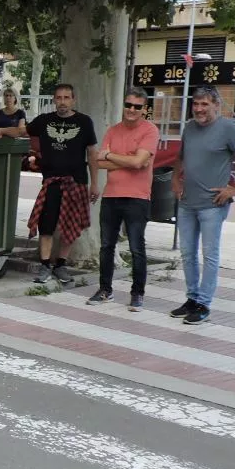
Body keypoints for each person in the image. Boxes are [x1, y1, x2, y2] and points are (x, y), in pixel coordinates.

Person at [170, 87, 235, 324]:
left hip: (213, 203)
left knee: (209, 254)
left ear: (216, 105)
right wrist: (175, 178)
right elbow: (181, 155)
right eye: (196, 104)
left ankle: (204, 303)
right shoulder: (190, 127)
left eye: (204, 104)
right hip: (187, 202)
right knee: (187, 253)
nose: (199, 109)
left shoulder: (229, 128)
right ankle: (191, 298)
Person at [89, 88, 160, 311]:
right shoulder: (112, 131)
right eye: (128, 105)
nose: (131, 109)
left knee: (137, 247)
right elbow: (99, 163)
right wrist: (131, 160)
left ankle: (137, 293)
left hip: (138, 197)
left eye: (137, 106)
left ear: (144, 109)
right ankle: (105, 290)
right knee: (106, 246)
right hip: (111, 195)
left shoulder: (150, 131)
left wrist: (110, 155)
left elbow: (137, 163)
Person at [25, 83, 99, 283]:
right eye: (59, 98)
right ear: (54, 100)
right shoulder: (43, 120)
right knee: (46, 226)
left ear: (73, 100)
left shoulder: (84, 122)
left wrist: (95, 183)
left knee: (70, 226)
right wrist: (1, 130)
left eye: (67, 97)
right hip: (51, 182)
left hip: (76, 182)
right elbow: (24, 131)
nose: (63, 102)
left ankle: (60, 265)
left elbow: (92, 153)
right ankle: (45, 266)